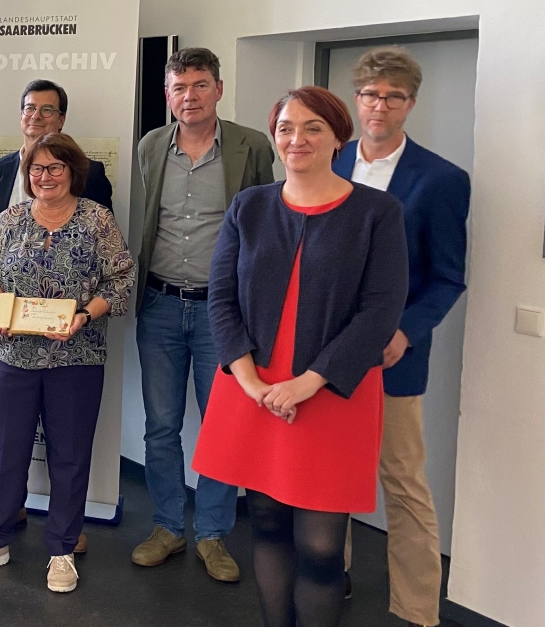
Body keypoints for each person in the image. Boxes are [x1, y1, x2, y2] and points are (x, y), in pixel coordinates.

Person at [193, 87, 408, 627]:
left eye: (313, 127)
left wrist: (308, 382)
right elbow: (220, 297)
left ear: (338, 137)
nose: (297, 139)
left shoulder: (377, 212)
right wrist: (250, 381)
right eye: (286, 128)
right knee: (266, 528)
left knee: (320, 546)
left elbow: (380, 312)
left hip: (332, 395)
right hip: (254, 391)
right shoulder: (250, 206)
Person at [0, 133, 134, 594]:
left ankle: (62, 549)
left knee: (70, 456)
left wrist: (84, 315)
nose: (45, 176)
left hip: (76, 356)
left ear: (74, 172)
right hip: (12, 356)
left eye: (55, 168)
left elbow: (121, 279)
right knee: (4, 453)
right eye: (37, 168)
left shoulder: (97, 219)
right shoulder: (10, 219)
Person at [332, 47, 469, 626]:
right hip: (326, 352)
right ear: (357, 99)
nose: (379, 106)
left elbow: (448, 277)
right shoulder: (331, 159)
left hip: (393, 358)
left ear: (411, 103)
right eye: (370, 94)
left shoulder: (441, 179)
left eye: (393, 96)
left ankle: (416, 608)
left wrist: (406, 334)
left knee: (404, 482)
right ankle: (328, 575)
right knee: (332, 474)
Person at [130, 48, 276, 582]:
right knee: (161, 427)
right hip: (160, 305)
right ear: (167, 94)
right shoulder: (151, 146)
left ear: (218, 89)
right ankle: (168, 527)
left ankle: (212, 534)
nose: (188, 96)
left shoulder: (251, 147)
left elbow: (266, 225)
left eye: (198, 85)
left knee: (222, 427)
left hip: (224, 312)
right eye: (178, 87)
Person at [0, 78, 113, 234]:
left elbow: (104, 234)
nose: (36, 116)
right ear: (21, 115)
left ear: (61, 120)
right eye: (30, 108)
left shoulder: (89, 172)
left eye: (47, 109)